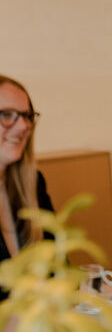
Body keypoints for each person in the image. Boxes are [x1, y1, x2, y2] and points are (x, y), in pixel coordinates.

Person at [0, 75, 51, 262]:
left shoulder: (34, 183)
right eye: (6, 115)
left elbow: (59, 267)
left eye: (27, 116)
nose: (24, 126)